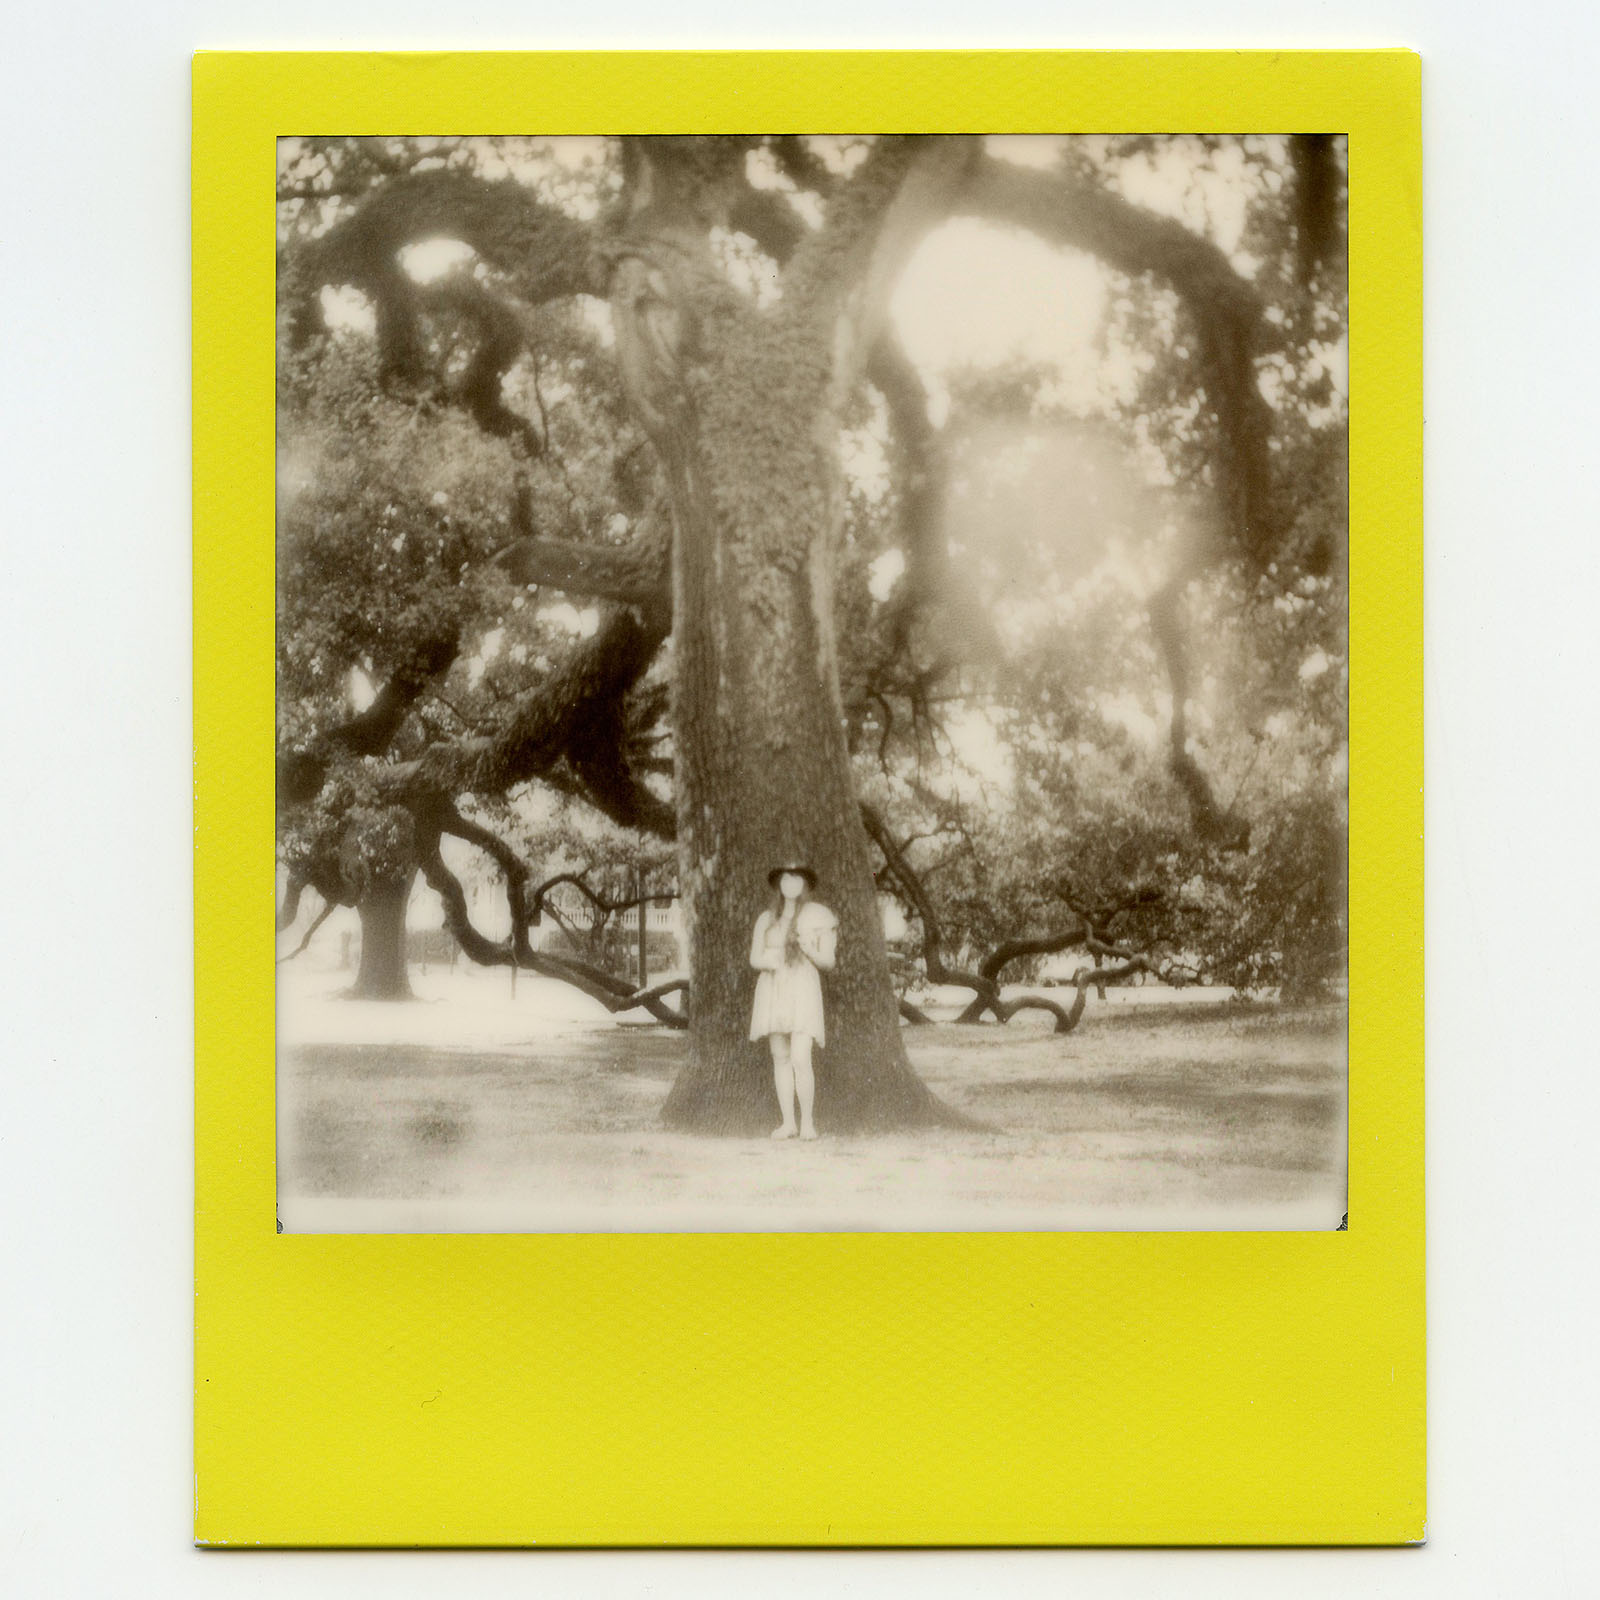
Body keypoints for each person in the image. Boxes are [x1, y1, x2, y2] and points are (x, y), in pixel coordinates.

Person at [749, 863, 837, 1141]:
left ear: (804, 883)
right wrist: (768, 961)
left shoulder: (818, 916)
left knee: (801, 1056)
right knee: (781, 1056)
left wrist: (809, 948)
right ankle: (788, 1123)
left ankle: (808, 1122)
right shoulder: (766, 918)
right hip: (774, 987)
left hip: (802, 987)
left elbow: (829, 961)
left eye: (796, 878)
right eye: (786, 878)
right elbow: (754, 958)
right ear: (779, 884)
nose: (790, 882)